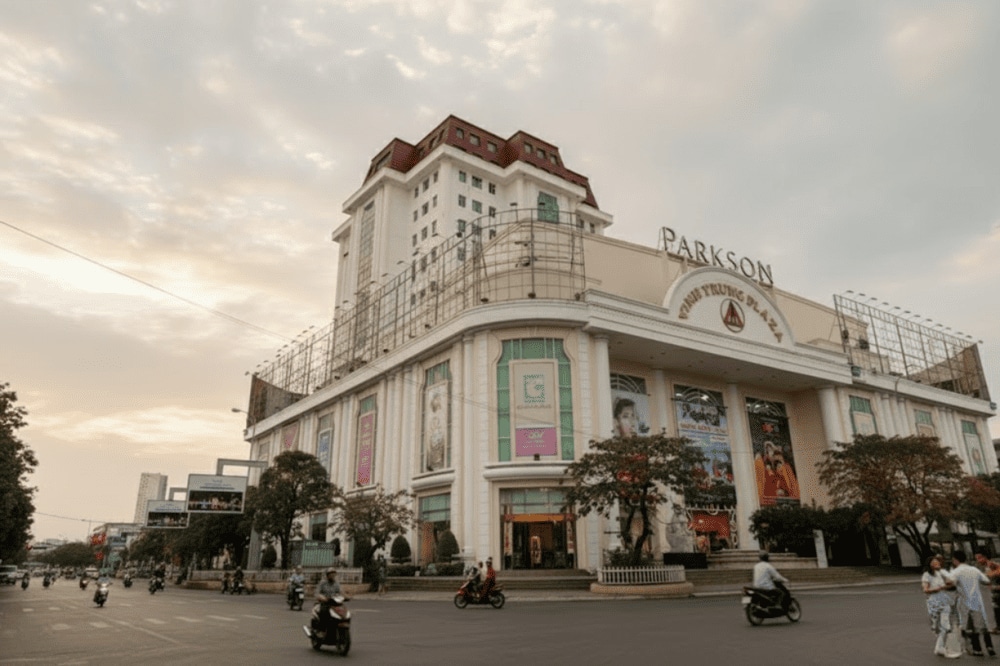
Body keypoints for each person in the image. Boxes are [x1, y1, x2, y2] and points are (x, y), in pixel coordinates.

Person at [945, 550, 996, 657]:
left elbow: (949, 582)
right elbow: (986, 580)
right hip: (977, 600)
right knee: (982, 624)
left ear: (955, 560)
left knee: (969, 625)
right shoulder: (974, 569)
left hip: (965, 601)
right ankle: (989, 646)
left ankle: (977, 649)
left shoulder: (956, 571)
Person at [922, 555, 960, 658]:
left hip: (944, 600)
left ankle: (941, 648)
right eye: (934, 562)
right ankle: (939, 647)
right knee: (938, 627)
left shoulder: (940, 573)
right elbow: (925, 589)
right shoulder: (927, 575)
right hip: (934, 601)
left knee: (945, 625)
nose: (937, 563)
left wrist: (948, 584)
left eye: (937, 562)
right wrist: (938, 588)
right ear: (929, 564)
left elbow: (950, 584)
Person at [974, 549, 1000, 634]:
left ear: (985, 557)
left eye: (980, 558)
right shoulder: (981, 568)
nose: (978, 560)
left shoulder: (994, 565)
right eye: (977, 558)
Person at [314, 568, 345, 636]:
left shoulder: (336, 583)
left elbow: (341, 592)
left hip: (335, 603)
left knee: (343, 611)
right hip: (325, 603)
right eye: (331, 574)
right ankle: (322, 630)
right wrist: (322, 598)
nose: (333, 575)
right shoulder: (323, 583)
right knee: (324, 612)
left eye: (334, 574)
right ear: (327, 575)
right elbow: (317, 593)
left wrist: (345, 597)